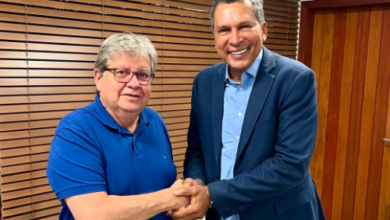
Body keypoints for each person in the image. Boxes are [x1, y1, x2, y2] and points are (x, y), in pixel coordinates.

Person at [168, 0, 326, 220]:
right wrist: (197, 183)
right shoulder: (203, 82)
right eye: (224, 30)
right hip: (220, 214)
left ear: (263, 30)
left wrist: (211, 194)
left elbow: (289, 165)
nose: (234, 39)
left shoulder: (295, 79)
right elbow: (197, 149)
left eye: (244, 26)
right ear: (215, 37)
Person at [47, 32, 189, 220]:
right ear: (98, 77)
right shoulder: (75, 131)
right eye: (122, 72)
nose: (134, 83)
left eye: (143, 75)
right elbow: (94, 214)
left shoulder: (155, 121)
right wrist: (171, 198)